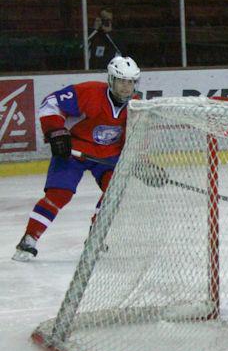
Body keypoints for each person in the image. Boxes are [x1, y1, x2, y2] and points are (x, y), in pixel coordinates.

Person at [12, 56, 141, 262]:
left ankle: (95, 237)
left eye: (131, 82)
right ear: (111, 80)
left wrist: (143, 162)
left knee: (114, 193)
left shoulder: (137, 107)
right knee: (59, 194)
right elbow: (51, 103)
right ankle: (29, 238)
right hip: (74, 151)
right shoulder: (89, 92)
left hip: (108, 157)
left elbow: (135, 139)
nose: (126, 87)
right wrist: (56, 131)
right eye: (121, 81)